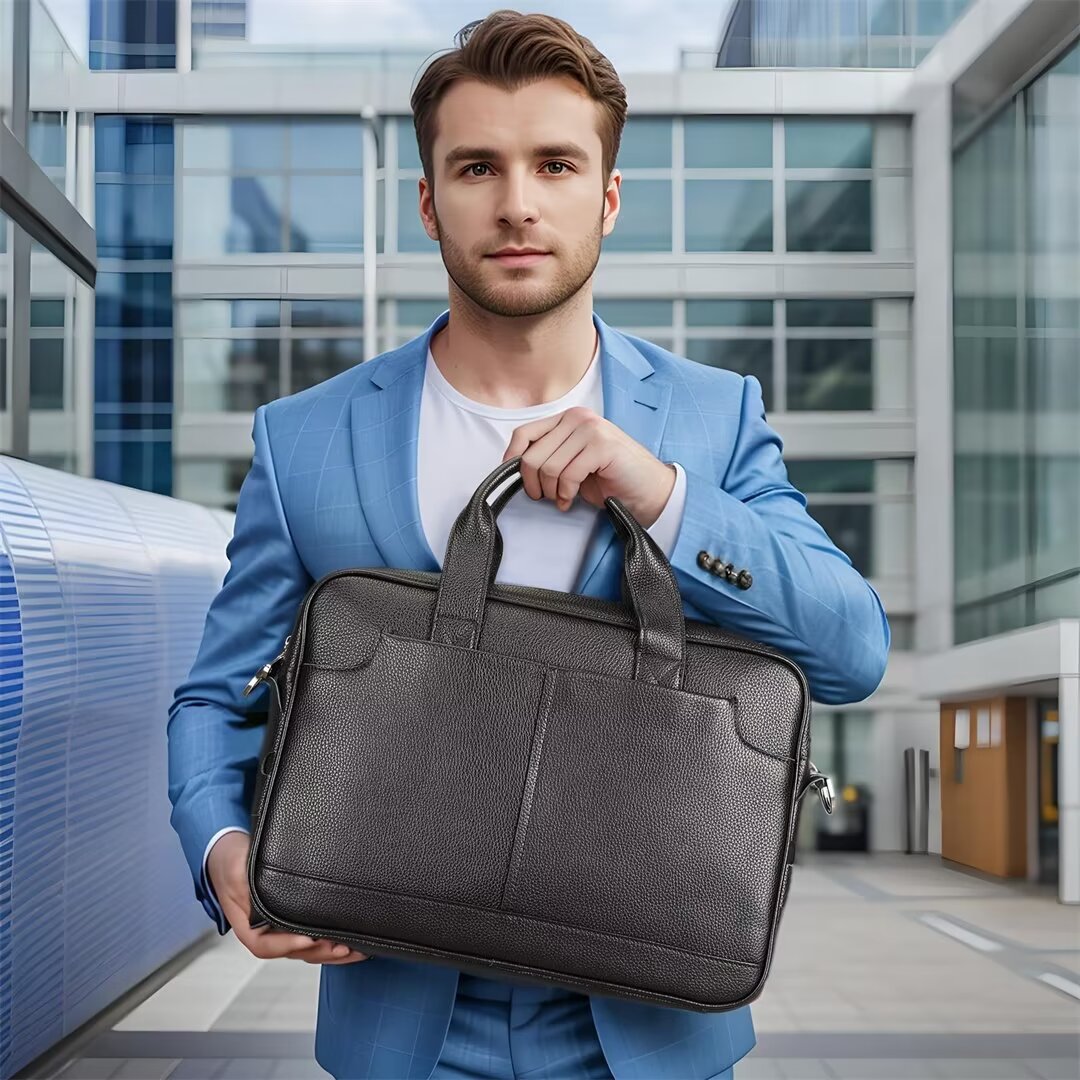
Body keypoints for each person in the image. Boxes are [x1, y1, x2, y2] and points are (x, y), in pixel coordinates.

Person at [167, 10, 890, 1080]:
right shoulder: (304, 437)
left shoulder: (711, 418)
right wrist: (224, 852)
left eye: (554, 164)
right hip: (400, 1025)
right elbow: (213, 700)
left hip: (652, 1029)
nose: (516, 203)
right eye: (477, 167)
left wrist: (661, 493)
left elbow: (852, 650)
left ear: (606, 196)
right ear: (428, 200)